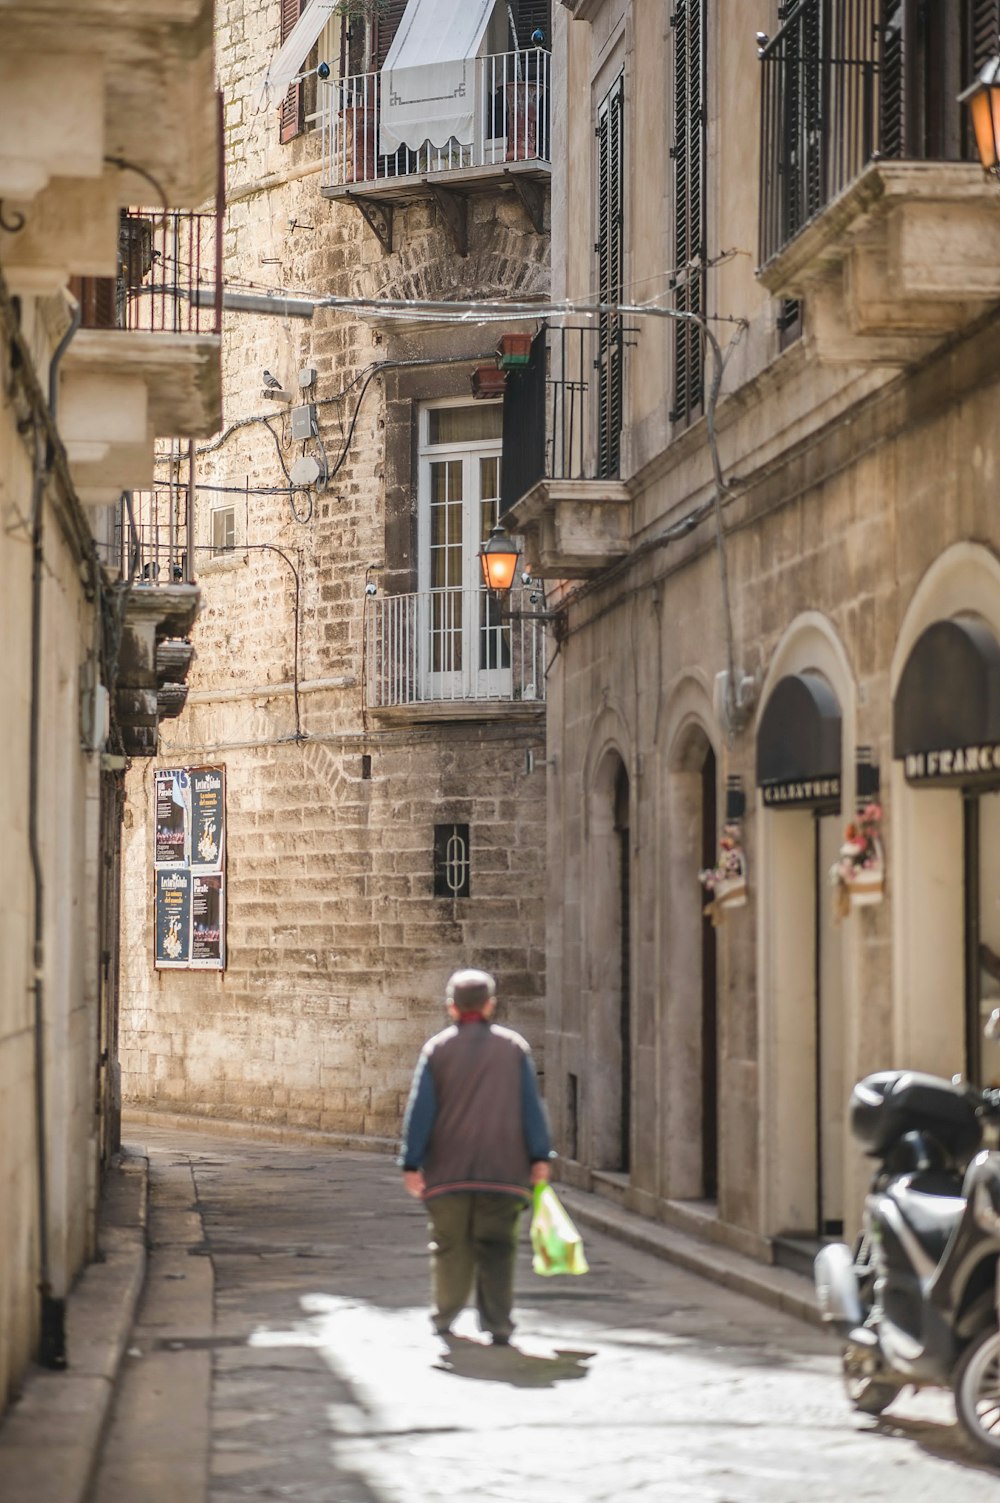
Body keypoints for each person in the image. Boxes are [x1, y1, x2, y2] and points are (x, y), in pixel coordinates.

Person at [399, 967, 553, 1345]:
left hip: (447, 1173)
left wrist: (411, 1163)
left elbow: (420, 1112)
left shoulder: (437, 1050)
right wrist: (539, 1157)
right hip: (504, 1171)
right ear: (490, 1006)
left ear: (452, 1008)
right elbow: (530, 1108)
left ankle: (445, 1316)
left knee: (450, 1247)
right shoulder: (514, 1048)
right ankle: (498, 1324)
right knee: (498, 1249)